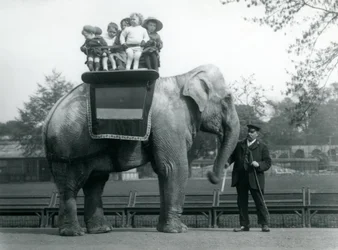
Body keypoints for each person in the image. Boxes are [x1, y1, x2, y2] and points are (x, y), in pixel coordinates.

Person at [228, 124, 272, 232]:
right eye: (248, 131)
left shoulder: (262, 146)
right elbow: (232, 157)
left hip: (255, 178)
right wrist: (226, 163)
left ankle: (264, 224)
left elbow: (268, 162)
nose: (249, 133)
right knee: (242, 202)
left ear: (257, 134)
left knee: (259, 202)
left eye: (252, 132)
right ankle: (244, 225)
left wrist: (259, 164)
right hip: (241, 178)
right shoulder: (239, 145)